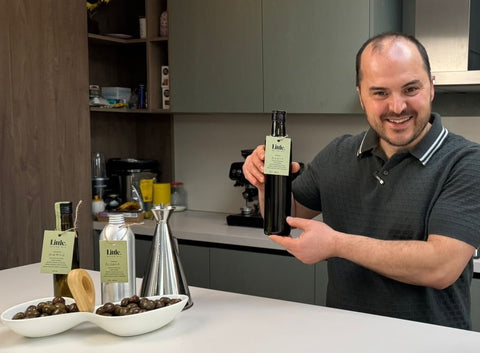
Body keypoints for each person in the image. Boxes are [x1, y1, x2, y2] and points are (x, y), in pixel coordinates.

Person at [243, 32, 480, 330]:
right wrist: (267, 186)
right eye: (380, 93)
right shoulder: (338, 154)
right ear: (361, 96)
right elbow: (285, 218)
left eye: (410, 89)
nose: (397, 107)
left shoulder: (467, 161)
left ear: (431, 87)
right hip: (347, 339)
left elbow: (441, 266)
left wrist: (337, 244)